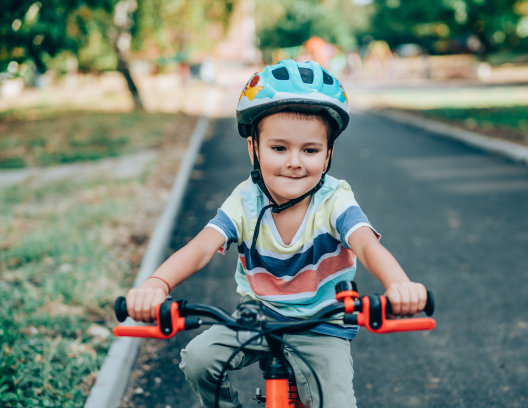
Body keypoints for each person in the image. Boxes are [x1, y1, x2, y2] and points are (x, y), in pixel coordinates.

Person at [125, 59, 428, 407]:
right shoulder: (245, 201)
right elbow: (201, 248)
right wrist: (156, 285)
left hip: (322, 325)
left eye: (310, 150)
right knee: (199, 359)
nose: (294, 161)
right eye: (279, 148)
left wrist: (399, 285)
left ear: (328, 154)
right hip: (259, 314)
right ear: (254, 148)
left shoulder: (334, 200)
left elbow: (365, 243)